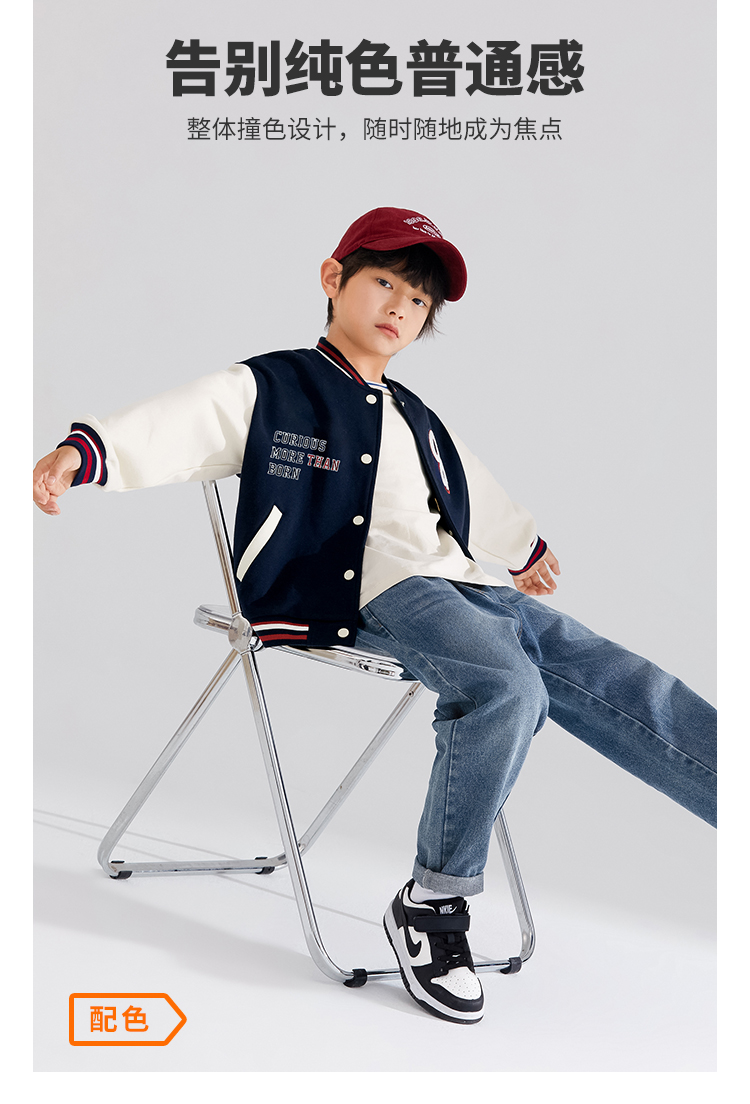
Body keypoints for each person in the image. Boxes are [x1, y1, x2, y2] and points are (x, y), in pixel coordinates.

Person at [33, 206, 716, 1026]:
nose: (401, 306)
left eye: (419, 300)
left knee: (626, 680)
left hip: (468, 587)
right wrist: (80, 454)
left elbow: (471, 488)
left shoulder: (416, 415)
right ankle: (431, 905)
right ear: (334, 279)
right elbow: (177, 422)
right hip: (366, 588)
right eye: (385, 282)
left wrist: (523, 548)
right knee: (507, 688)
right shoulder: (273, 386)